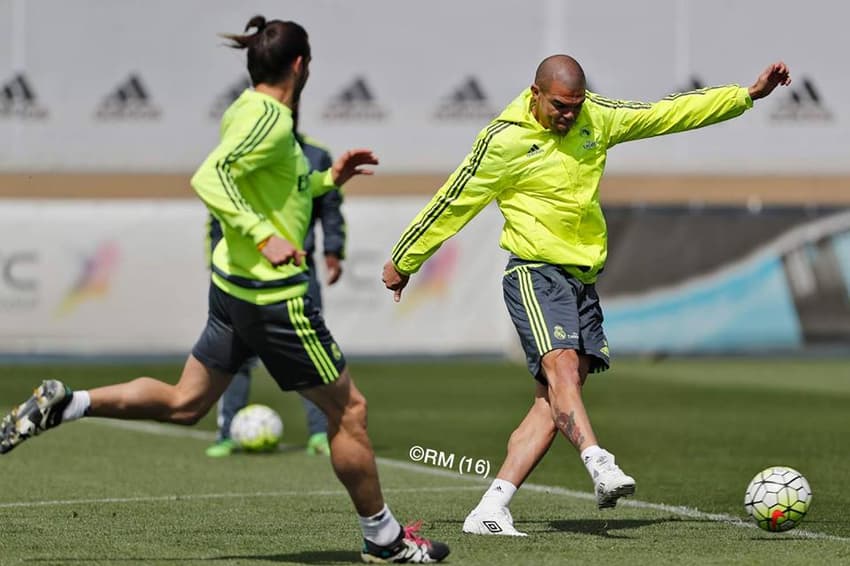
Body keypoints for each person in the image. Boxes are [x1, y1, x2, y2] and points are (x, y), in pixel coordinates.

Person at [1, 16, 449, 563]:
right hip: (273, 299)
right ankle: (384, 539)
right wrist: (264, 238)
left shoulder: (249, 109)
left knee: (185, 403)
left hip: (233, 291)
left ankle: (70, 404)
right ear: (301, 65)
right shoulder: (270, 120)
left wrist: (328, 178)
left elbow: (274, 189)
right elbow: (211, 178)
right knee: (349, 412)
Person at [382, 54, 791, 537]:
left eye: (575, 106)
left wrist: (745, 96)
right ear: (535, 93)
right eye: (559, 105)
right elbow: (453, 201)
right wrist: (404, 260)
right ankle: (600, 463)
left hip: (581, 279)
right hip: (535, 272)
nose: (569, 115)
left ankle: (491, 508)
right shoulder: (503, 141)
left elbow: (665, 113)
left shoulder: (596, 116)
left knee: (553, 403)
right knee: (560, 370)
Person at [205, 130, 346, 458]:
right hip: (244, 273)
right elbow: (218, 213)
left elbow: (330, 208)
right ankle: (227, 432)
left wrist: (333, 251)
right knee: (234, 352)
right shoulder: (239, 156)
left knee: (308, 354)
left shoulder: (314, 155)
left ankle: (319, 433)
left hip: (297, 271)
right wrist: (218, 258)